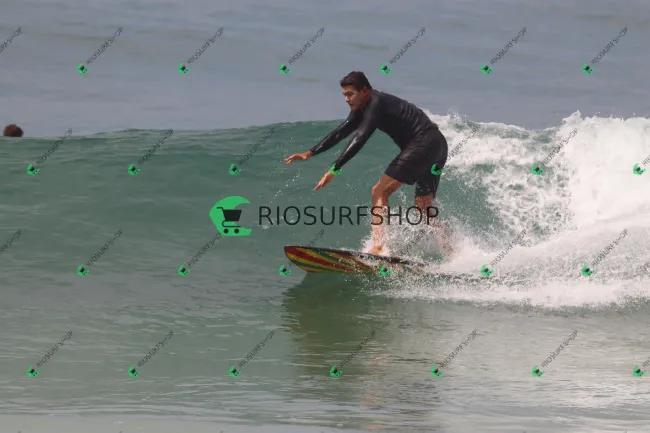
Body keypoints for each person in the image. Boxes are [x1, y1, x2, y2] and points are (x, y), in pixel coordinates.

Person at [284, 71, 454, 258]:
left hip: (423, 143)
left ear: (364, 91)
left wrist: (335, 168)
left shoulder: (376, 103)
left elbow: (360, 137)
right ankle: (452, 253)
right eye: (344, 95)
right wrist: (310, 153)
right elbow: (341, 131)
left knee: (379, 191)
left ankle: (378, 247)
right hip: (438, 145)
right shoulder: (365, 106)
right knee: (424, 209)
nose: (346, 99)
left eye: (350, 94)